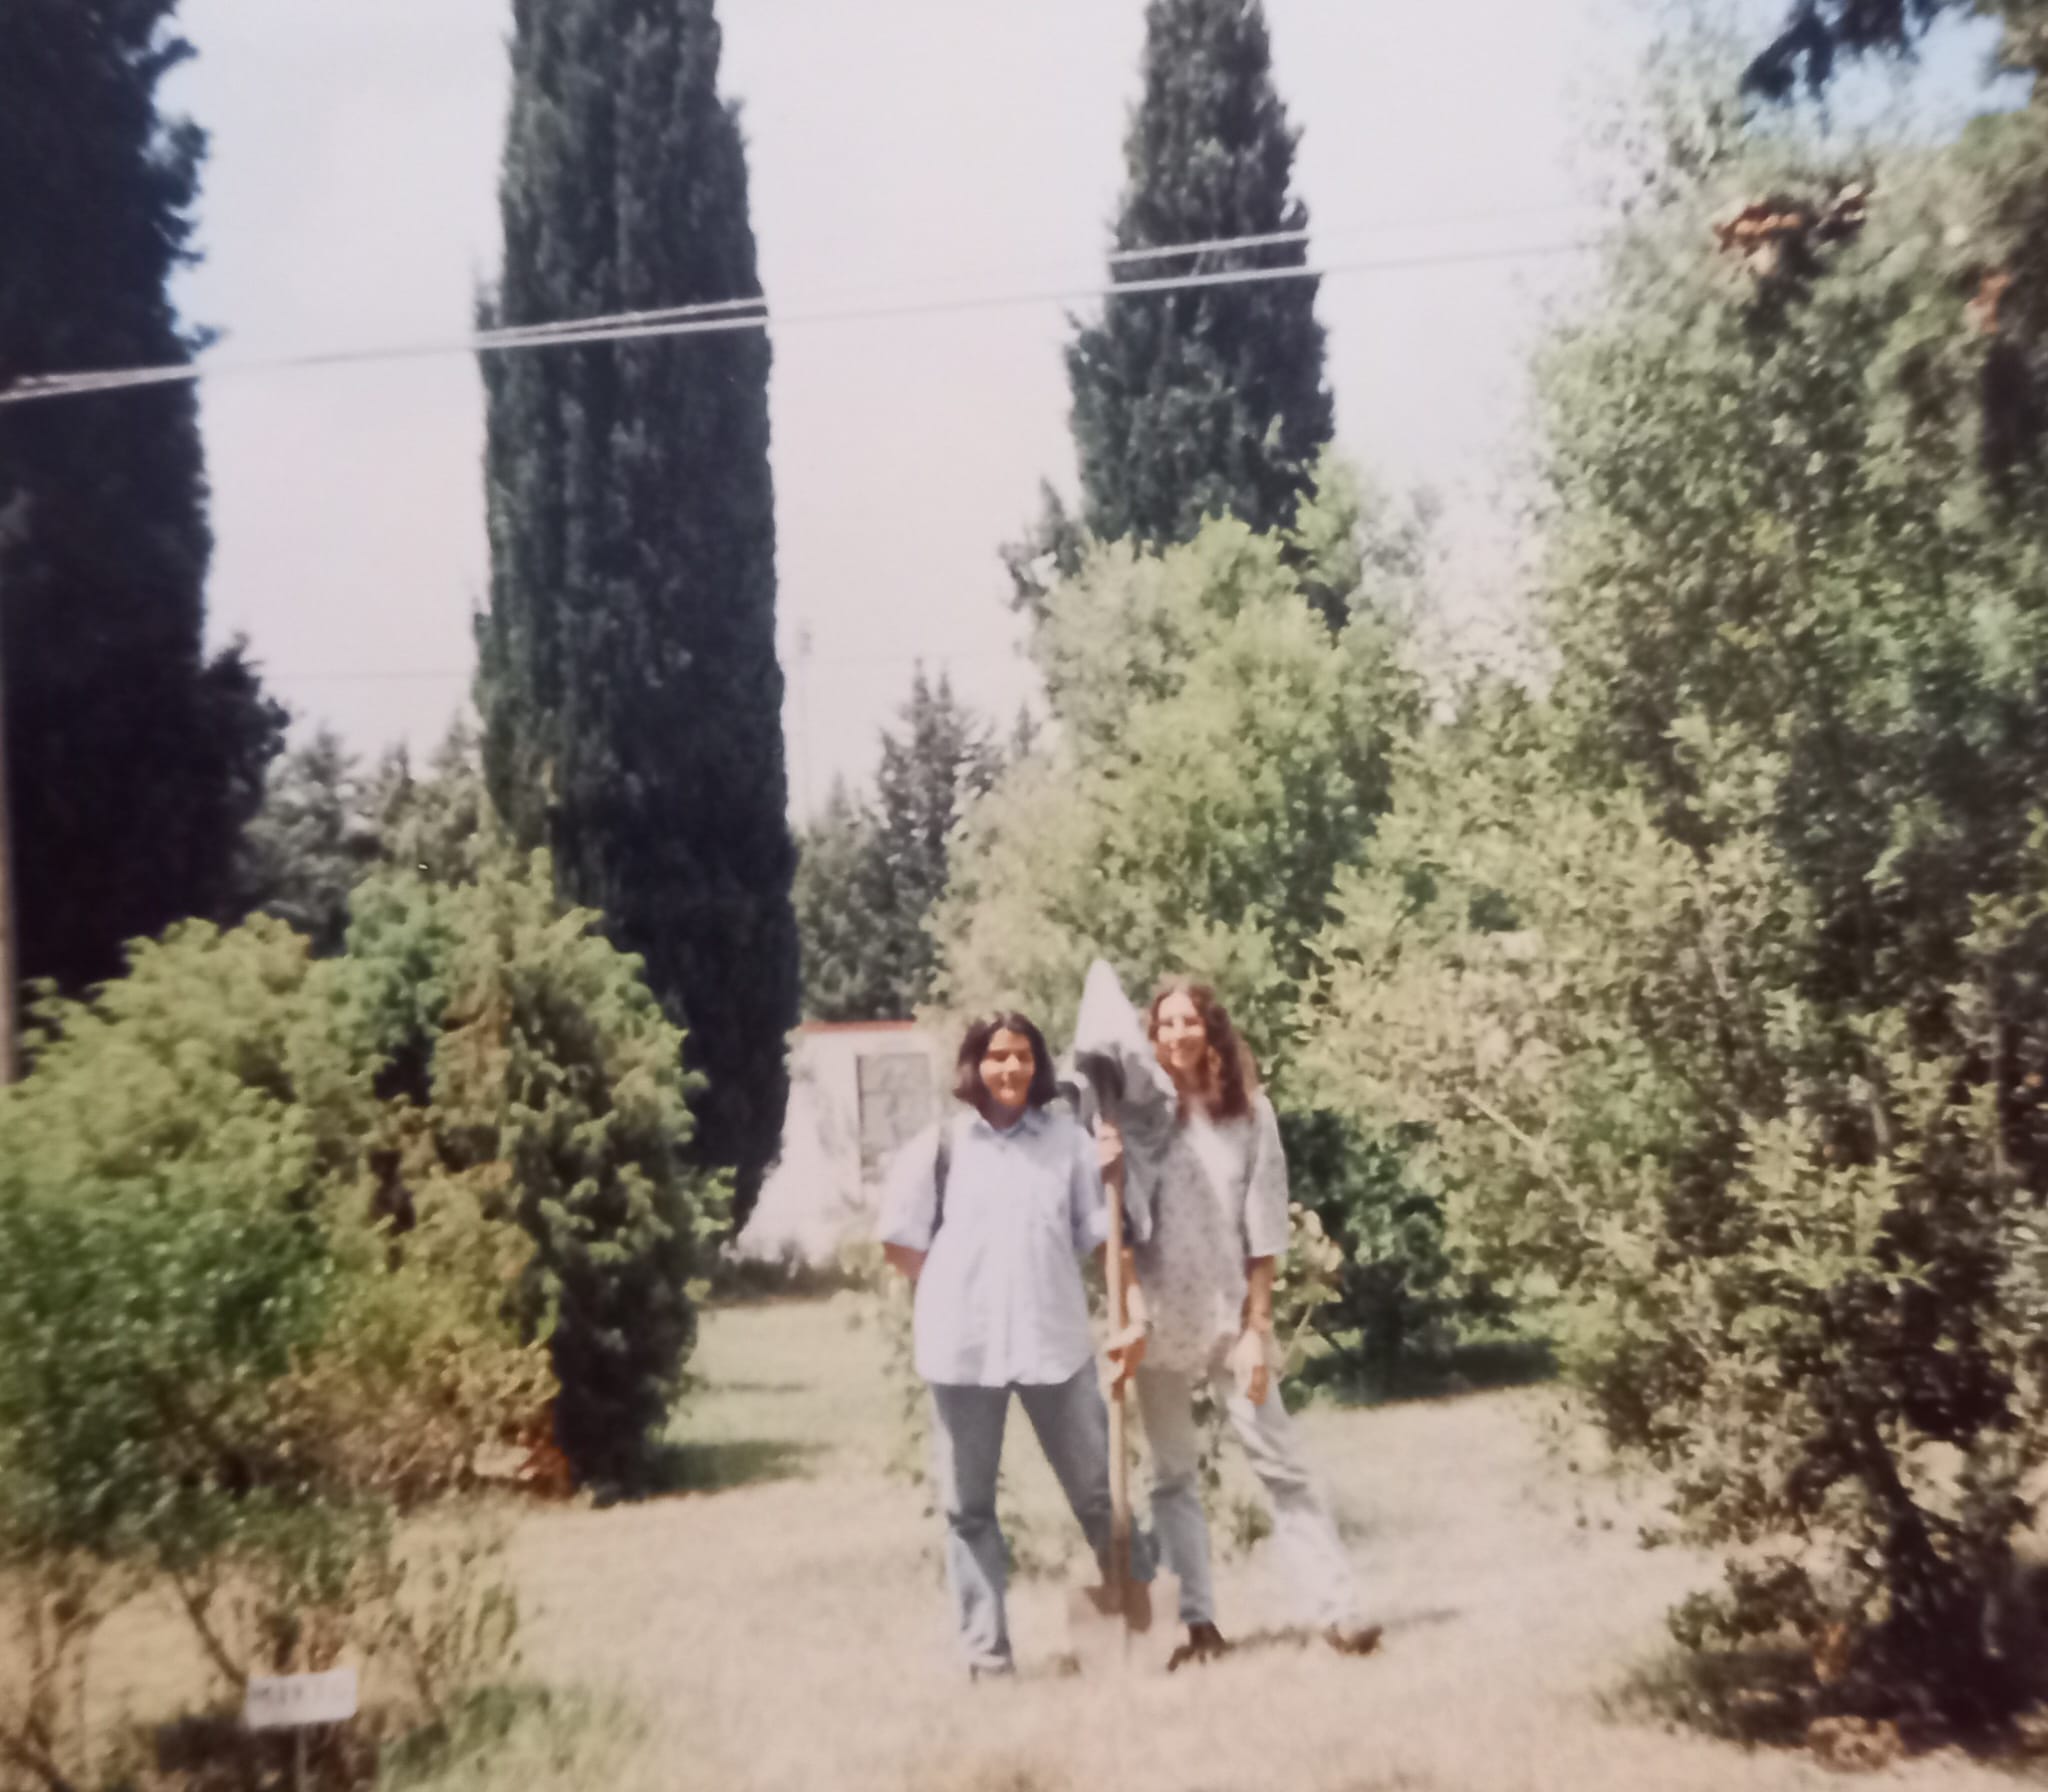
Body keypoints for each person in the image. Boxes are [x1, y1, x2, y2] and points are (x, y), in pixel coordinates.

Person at [1073, 961, 1380, 1668]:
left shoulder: (1249, 1114)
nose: (1177, 1033)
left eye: (1189, 1021)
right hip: (1155, 1326)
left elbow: (1264, 1224)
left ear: (1211, 1031)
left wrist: (1257, 1327)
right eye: (1164, 1023)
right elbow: (1114, 1229)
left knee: (1284, 1466)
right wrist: (1104, 1163)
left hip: (1231, 1321)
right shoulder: (1134, 1119)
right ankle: (1198, 1624)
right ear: (1151, 1037)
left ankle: (1338, 1611)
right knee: (1173, 1477)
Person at [877, 1009, 1154, 1680]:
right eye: (998, 1055)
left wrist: (1131, 1310)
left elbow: (1104, 1239)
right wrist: (957, 1288)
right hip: (962, 1352)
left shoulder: (1068, 1144)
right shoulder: (940, 1147)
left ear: (1038, 1065)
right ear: (975, 1063)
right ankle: (987, 1656)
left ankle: (1147, 1630)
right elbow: (900, 1243)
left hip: (1054, 1344)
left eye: (1023, 1056)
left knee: (1099, 1494)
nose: (1011, 1068)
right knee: (968, 1510)